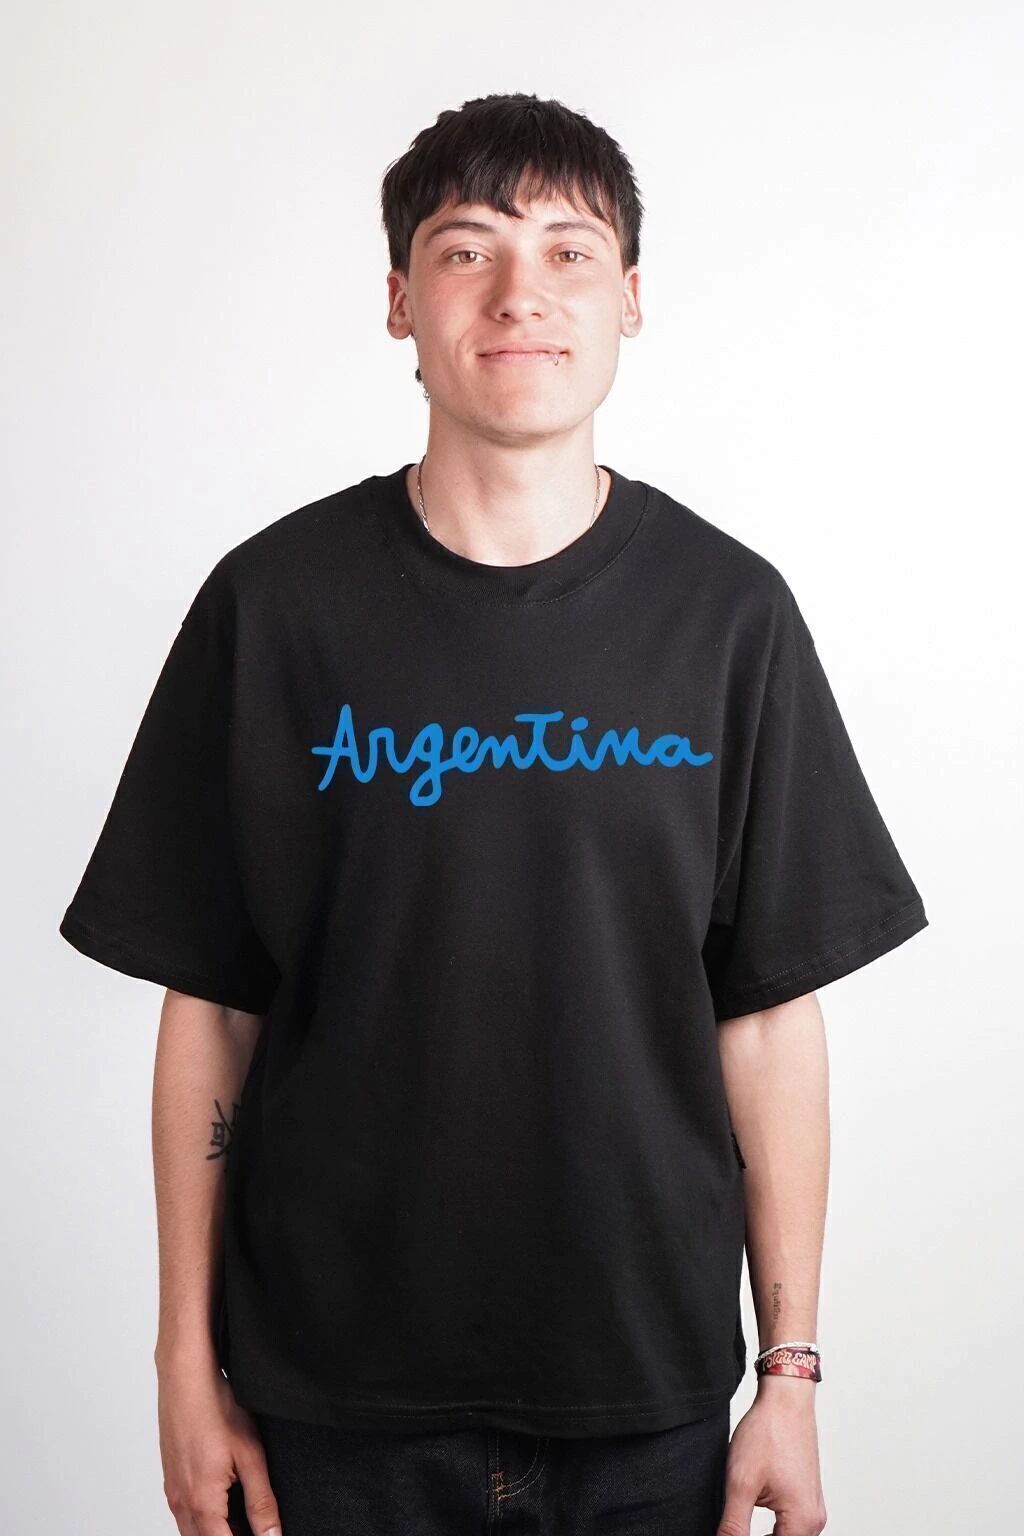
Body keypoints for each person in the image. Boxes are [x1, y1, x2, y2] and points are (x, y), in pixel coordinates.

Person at [59, 92, 928, 1536]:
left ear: (631, 298)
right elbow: (210, 1009)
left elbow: (769, 1017)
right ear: (401, 302)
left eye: (570, 251)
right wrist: (181, 1365)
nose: (522, 292)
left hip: (644, 1400)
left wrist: (791, 1374)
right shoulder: (273, 609)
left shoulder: (730, 618)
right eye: (466, 250)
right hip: (328, 1403)